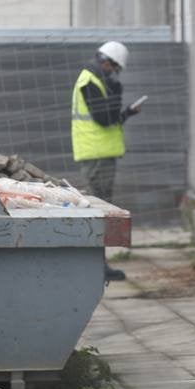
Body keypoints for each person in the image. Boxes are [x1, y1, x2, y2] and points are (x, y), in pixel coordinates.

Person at [71, 40, 140, 282]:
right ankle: (95, 267)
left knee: (101, 211)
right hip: (96, 156)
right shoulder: (90, 82)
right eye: (116, 68)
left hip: (101, 155)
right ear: (107, 62)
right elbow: (103, 118)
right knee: (99, 213)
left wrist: (127, 111)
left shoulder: (97, 80)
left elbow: (111, 118)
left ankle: (98, 265)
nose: (116, 73)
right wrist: (117, 93)